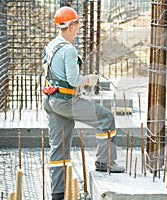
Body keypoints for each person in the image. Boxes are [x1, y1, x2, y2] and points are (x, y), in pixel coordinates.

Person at [42, 6, 125, 200]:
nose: (78, 28)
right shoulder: (69, 49)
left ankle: (58, 193)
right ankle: (106, 162)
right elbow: (73, 80)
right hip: (65, 100)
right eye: (78, 24)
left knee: (59, 148)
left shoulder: (51, 45)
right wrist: (89, 79)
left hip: (50, 100)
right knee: (106, 118)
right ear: (71, 25)